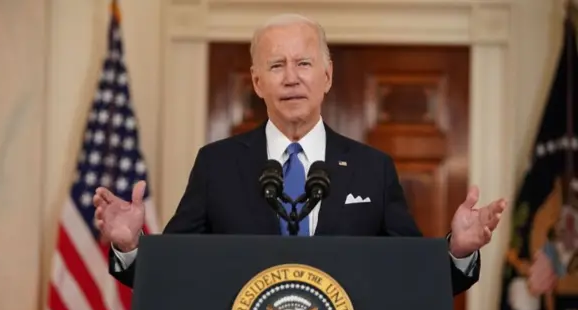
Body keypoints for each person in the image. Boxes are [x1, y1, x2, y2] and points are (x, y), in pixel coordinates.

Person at [94, 13, 506, 294]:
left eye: (304, 63)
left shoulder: (372, 169)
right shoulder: (216, 165)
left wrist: (458, 251)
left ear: (326, 75)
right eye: (276, 66)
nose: (291, 78)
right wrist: (130, 246)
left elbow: (413, 277)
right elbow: (174, 272)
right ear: (257, 82)